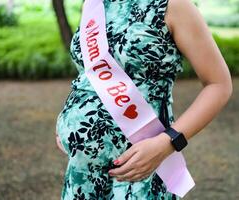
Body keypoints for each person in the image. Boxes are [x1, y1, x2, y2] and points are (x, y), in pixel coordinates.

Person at [55, 0, 233, 199]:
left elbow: (219, 85)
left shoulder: (174, 5)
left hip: (139, 174)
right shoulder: (94, 3)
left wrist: (168, 142)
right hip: (83, 177)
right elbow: (88, 74)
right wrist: (67, 121)